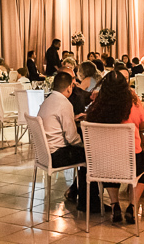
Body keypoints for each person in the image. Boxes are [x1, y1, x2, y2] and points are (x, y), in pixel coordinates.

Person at [85, 71, 144, 225]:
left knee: (111, 165)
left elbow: (88, 119)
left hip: (103, 164)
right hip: (131, 162)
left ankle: (115, 204)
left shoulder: (97, 107)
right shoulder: (133, 103)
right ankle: (132, 208)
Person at [36, 71, 96, 209]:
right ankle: (88, 202)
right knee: (92, 155)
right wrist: (86, 143)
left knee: (86, 152)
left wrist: (72, 119)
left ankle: (75, 191)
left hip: (44, 154)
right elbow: (72, 138)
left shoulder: (48, 100)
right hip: (57, 155)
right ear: (69, 87)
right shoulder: (64, 103)